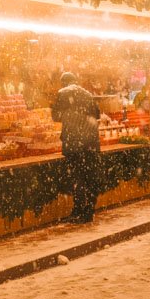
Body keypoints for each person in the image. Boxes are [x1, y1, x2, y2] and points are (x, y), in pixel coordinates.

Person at [51, 72, 102, 223]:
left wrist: (70, 115)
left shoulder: (63, 93)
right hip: (91, 142)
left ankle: (78, 210)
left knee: (77, 177)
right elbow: (97, 115)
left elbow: (55, 116)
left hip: (74, 142)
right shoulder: (88, 94)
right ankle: (89, 210)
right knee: (90, 176)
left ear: (63, 83)